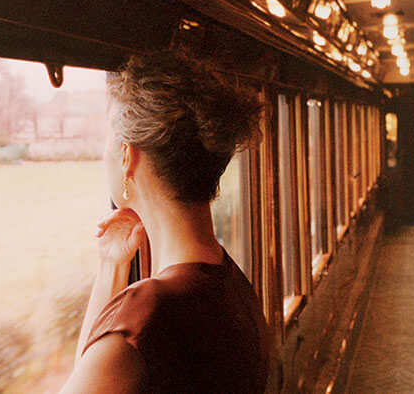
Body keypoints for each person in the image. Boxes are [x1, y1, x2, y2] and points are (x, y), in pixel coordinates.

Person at [60, 51, 271, 393]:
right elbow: (90, 372)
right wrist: (113, 264)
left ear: (127, 156)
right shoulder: (233, 282)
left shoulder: (145, 315)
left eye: (109, 138)